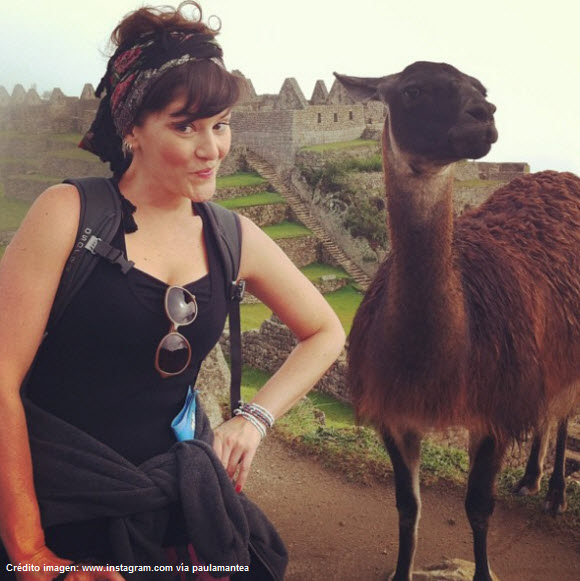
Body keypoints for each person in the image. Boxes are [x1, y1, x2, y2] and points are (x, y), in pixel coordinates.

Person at [0, 2, 346, 580]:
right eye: (185, 126)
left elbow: (324, 330)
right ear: (132, 128)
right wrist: (31, 553)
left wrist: (253, 419)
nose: (211, 148)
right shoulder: (69, 214)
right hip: (56, 501)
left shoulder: (233, 236)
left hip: (173, 506)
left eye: (221, 123)